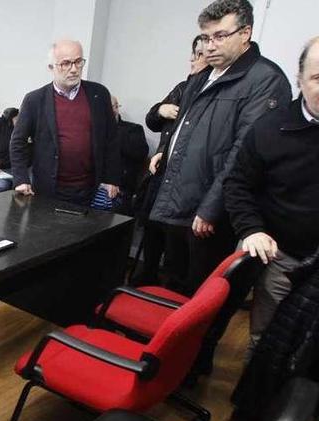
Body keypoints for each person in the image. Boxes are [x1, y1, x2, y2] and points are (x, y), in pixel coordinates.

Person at [148, 0, 291, 294]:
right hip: (179, 202)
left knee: (199, 294)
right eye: (206, 37)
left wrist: (211, 209)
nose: (210, 46)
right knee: (171, 284)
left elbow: (244, 152)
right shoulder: (202, 76)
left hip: (208, 213)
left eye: (220, 36)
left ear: (245, 33)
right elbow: (182, 131)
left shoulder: (265, 80)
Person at [223, 37, 319, 349]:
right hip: (284, 258)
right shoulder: (270, 128)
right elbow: (237, 184)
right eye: (318, 78)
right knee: (268, 341)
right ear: (300, 80)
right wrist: (251, 229)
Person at [134, 35, 208, 286]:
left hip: (186, 183)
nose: (193, 60)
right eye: (194, 53)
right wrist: (160, 110)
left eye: (200, 54)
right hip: (162, 174)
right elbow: (152, 120)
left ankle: (167, 291)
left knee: (176, 245)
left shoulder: (211, 93)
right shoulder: (183, 87)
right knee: (152, 230)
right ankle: (147, 278)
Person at [10, 39, 121, 207]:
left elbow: (111, 139)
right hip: (48, 189)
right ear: (51, 67)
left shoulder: (99, 94)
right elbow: (18, 142)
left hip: (89, 188)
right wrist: (21, 178)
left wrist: (111, 178)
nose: (74, 69)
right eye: (65, 64)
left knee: (89, 232)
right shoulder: (35, 100)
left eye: (78, 62)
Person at [111, 95, 149, 210]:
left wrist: (112, 131)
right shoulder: (92, 129)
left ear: (116, 107)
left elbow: (141, 154)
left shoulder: (133, 129)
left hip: (121, 187)